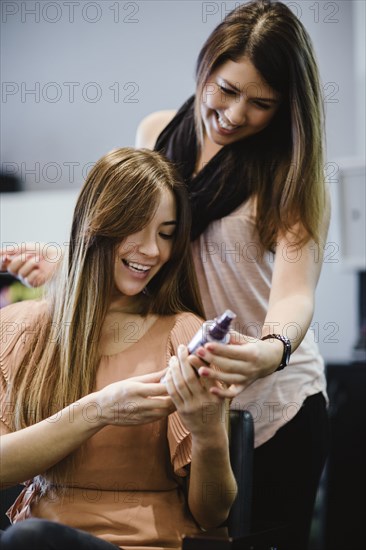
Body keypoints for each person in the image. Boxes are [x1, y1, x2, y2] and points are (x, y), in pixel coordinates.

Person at [1, 1, 331, 548]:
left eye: (261, 104)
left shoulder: (287, 174)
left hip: (273, 402)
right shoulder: (158, 130)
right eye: (226, 89)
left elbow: (293, 296)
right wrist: (73, 262)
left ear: (286, 107)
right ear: (205, 68)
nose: (234, 113)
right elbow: (135, 228)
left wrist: (270, 350)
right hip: (179, 373)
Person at [0, 147, 237, 550]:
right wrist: (99, 409)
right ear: (96, 225)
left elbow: (212, 514)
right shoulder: (21, 330)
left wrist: (208, 430)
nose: (152, 250)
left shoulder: (181, 334)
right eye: (137, 228)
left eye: (165, 234)